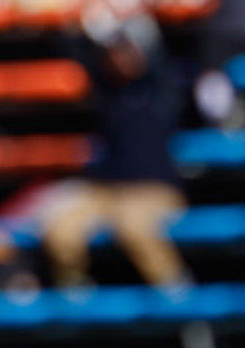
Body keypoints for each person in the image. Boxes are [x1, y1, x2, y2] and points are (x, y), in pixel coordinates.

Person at [42, 0, 188, 293]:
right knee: (60, 227)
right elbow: (75, 52)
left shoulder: (161, 91)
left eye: (126, 51)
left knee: (135, 228)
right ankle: (76, 297)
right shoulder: (107, 93)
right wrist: (81, 22)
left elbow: (160, 56)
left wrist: (136, 20)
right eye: (113, 53)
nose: (119, 59)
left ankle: (178, 294)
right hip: (106, 191)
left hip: (152, 189)